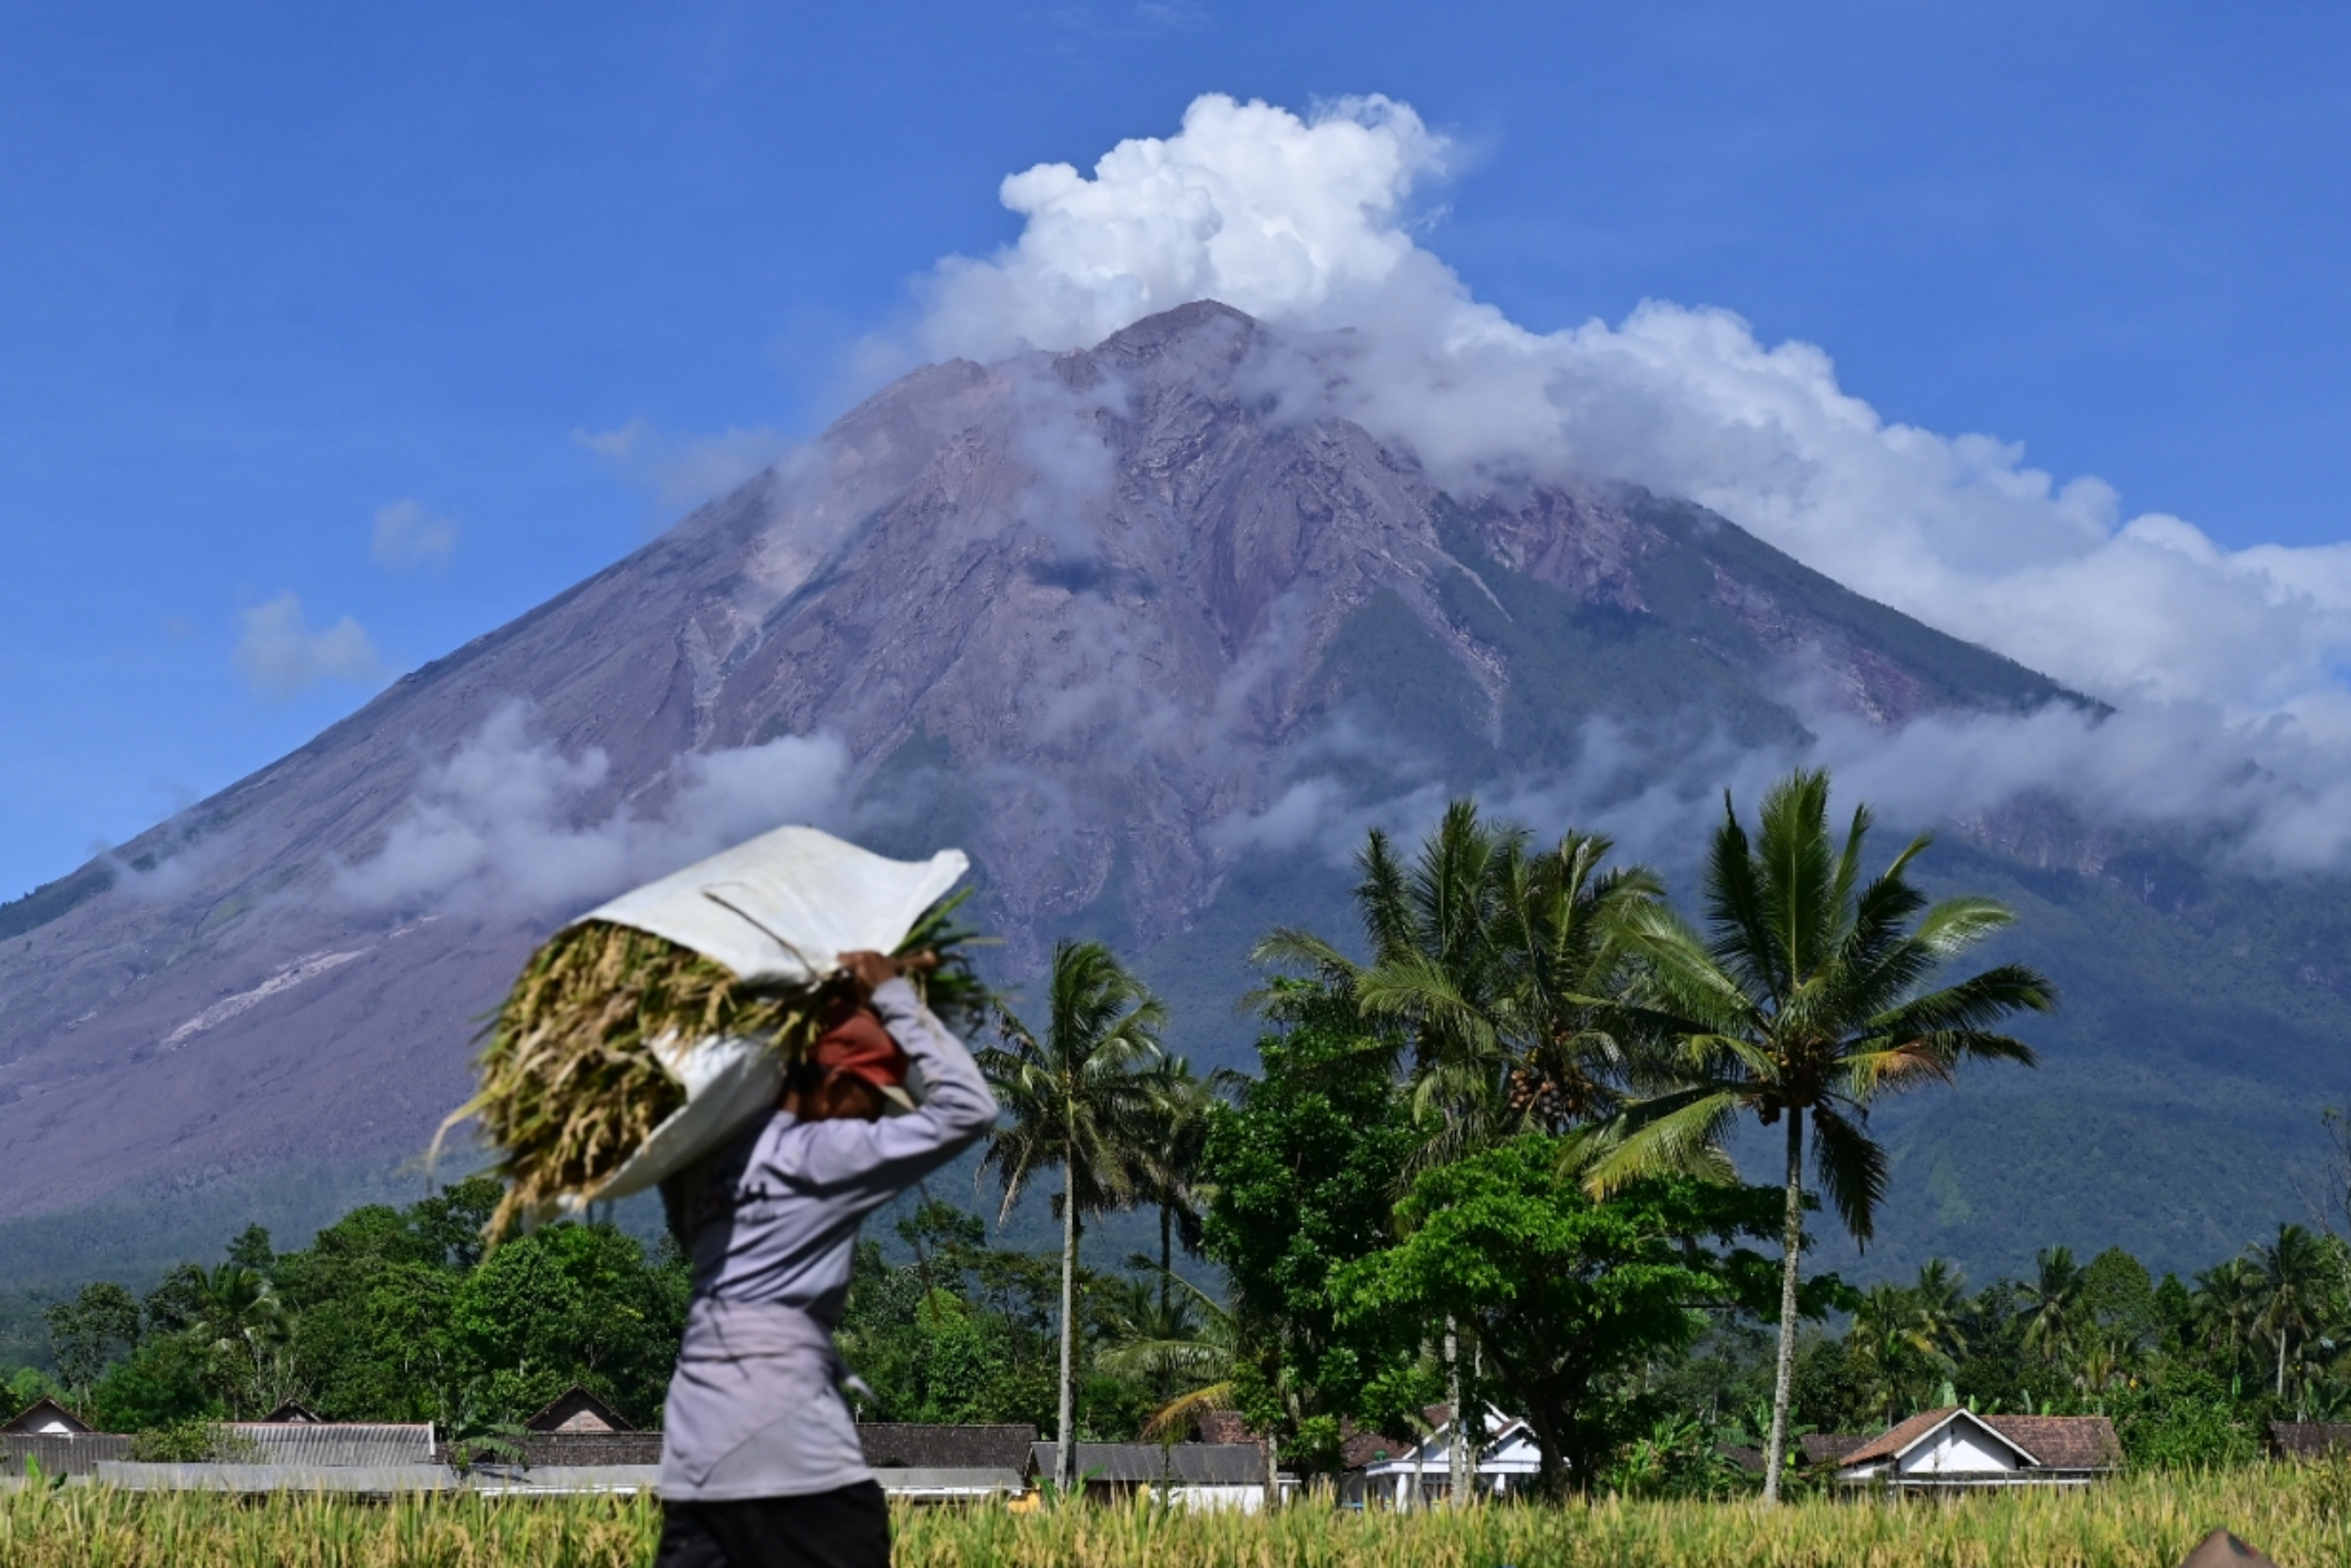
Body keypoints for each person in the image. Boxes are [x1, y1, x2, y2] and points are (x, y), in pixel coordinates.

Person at [654, 949, 998, 1568]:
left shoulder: (703, 1159)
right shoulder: (824, 1152)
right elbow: (969, 1108)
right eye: (872, 1105)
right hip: (789, 1444)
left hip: (694, 1452)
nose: (873, 1123)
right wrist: (894, 997)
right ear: (837, 1085)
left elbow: (693, 1242)